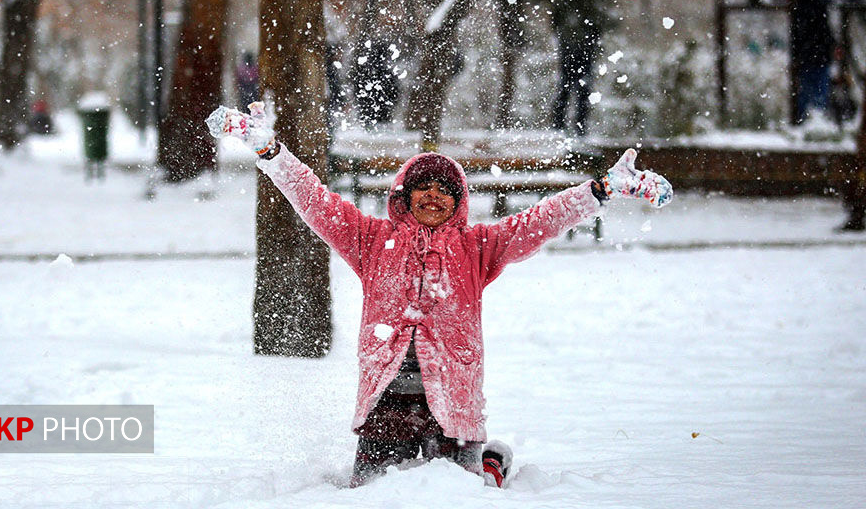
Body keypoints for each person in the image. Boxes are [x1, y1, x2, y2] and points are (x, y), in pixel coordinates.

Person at [206, 102, 673, 487]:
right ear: (403, 198)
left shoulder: (478, 247)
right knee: (369, 493)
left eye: (444, 190)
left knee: (460, 494)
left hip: (453, 401)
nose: (432, 196)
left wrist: (602, 190)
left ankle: (489, 461)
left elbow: (539, 220)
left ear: (459, 201)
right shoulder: (369, 239)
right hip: (385, 403)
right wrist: (269, 149)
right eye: (421, 188)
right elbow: (313, 199)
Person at [791, 0, 833, 124]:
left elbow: (799, 28)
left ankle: (806, 119)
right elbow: (823, 28)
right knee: (819, 88)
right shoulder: (820, 0)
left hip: (808, 53)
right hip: (818, 53)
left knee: (807, 88)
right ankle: (816, 120)